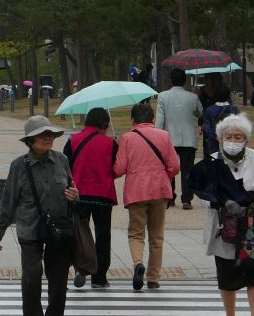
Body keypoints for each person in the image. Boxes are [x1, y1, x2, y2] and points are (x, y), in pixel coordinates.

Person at [0, 116, 80, 316]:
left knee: (58, 279)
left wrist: (74, 196)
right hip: (30, 229)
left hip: (58, 229)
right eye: (42, 135)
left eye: (50, 133)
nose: (48, 137)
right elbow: (8, 202)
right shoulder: (19, 166)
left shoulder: (62, 160)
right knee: (31, 277)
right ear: (31, 140)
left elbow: (72, 191)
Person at [188, 113, 254, 316]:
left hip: (250, 226)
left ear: (246, 139)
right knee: (226, 276)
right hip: (223, 225)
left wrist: (253, 196)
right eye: (229, 136)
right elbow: (203, 196)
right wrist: (218, 200)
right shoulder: (213, 161)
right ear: (219, 137)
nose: (233, 140)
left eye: (238, 136)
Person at [112, 99, 180, 291]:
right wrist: (161, 176)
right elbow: (174, 166)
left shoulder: (127, 138)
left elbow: (119, 169)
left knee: (136, 233)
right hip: (159, 190)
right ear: (152, 118)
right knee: (157, 236)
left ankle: (138, 263)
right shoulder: (164, 136)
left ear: (133, 119)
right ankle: (153, 277)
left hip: (136, 191)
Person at [63, 107, 118, 289]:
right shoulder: (110, 144)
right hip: (103, 194)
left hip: (79, 194)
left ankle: (81, 267)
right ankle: (99, 276)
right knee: (103, 235)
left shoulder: (73, 140)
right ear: (104, 123)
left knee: (80, 234)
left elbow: (65, 165)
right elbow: (116, 169)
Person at [155, 68, 203, 210]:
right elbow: (200, 112)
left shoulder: (163, 96)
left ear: (171, 80)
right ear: (185, 80)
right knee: (188, 169)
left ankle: (170, 197)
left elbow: (160, 118)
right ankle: (187, 199)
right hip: (188, 138)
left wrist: (157, 134)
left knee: (169, 168)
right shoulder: (192, 97)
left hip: (169, 137)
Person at [200, 85, 238, 160]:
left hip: (213, 146)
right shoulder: (234, 109)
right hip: (231, 144)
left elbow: (207, 128)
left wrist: (215, 137)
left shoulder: (209, 110)